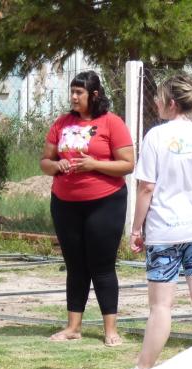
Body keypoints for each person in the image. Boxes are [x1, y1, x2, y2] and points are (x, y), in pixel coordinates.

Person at [105, 74, 192, 369]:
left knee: (161, 306)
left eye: (158, 98)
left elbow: (147, 188)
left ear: (171, 103)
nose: (155, 102)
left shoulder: (155, 137)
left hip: (165, 232)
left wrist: (135, 229)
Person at [40, 71, 135, 347]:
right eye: (72, 92)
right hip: (65, 204)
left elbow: (128, 164)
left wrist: (94, 165)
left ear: (94, 95)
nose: (73, 97)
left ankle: (110, 330)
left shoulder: (111, 123)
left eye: (79, 92)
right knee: (75, 266)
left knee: (102, 266)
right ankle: (73, 327)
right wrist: (57, 166)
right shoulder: (61, 123)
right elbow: (45, 161)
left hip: (105, 202)